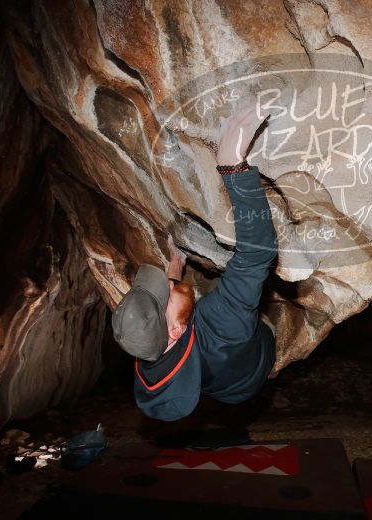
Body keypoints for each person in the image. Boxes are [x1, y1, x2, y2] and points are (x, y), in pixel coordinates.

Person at [110, 104, 277, 421]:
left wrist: (175, 265)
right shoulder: (220, 326)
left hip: (221, 389)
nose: (167, 284)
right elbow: (257, 255)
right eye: (165, 294)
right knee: (256, 308)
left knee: (193, 292)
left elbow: (168, 314)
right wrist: (231, 166)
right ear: (175, 330)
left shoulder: (147, 348)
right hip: (255, 361)